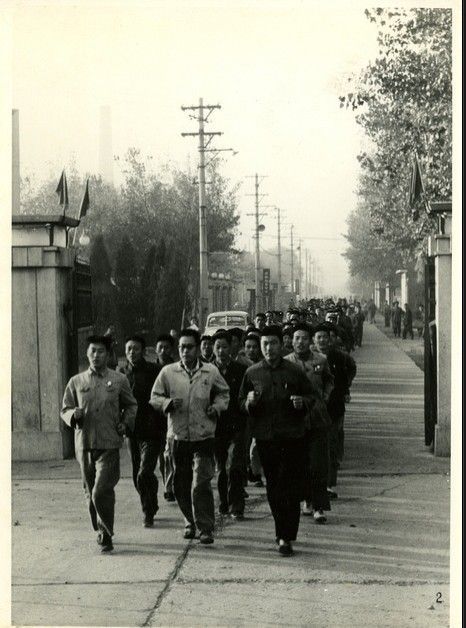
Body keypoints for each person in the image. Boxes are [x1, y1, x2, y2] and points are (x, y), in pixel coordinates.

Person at [239, 325, 313, 557]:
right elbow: (240, 402)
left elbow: (312, 397)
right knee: (274, 486)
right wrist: (248, 402)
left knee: (290, 486)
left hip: (292, 437)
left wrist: (303, 402)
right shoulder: (252, 373)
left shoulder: (294, 371)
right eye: (265, 344)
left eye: (273, 343)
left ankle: (285, 535)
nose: (269, 348)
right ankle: (282, 533)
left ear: (282, 344)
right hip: (266, 438)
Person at [150, 328, 230, 545]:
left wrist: (217, 407)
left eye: (190, 347)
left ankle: (205, 528)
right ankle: (189, 521)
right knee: (180, 484)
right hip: (177, 436)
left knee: (201, 483)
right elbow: (154, 397)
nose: (185, 351)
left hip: (203, 435)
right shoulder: (168, 372)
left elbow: (224, 392)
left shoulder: (210, 371)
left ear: (198, 349)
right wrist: (166, 404)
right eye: (182, 347)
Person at [61, 335, 137, 552]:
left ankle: (106, 532)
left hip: (109, 442)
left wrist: (125, 423)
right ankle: (100, 529)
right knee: (89, 491)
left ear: (108, 354)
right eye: (92, 351)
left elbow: (132, 406)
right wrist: (72, 416)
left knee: (101, 490)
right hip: (84, 443)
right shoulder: (76, 382)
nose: (96, 355)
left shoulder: (119, 380)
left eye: (101, 351)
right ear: (87, 353)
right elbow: (65, 409)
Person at [285, 324, 334, 523]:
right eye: (296, 338)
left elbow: (330, 381)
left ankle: (319, 507)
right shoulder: (286, 362)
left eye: (304, 338)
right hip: (294, 421)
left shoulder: (320, 360)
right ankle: (306, 499)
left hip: (317, 418)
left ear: (311, 340)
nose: (300, 342)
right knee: (299, 463)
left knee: (318, 463)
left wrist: (325, 396)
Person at [118, 335, 166, 528]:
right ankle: (151, 500)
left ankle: (148, 511)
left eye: (136, 349)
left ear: (144, 351)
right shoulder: (121, 375)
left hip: (152, 428)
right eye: (129, 349)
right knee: (137, 474)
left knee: (144, 471)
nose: (132, 352)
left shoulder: (155, 371)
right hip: (132, 431)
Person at [314, 323, 356, 498]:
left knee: (332, 444)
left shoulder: (340, 357)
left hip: (334, 407)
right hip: (314, 409)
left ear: (331, 339)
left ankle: (330, 484)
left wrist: (345, 390)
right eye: (319, 337)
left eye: (326, 337)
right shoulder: (309, 357)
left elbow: (349, 373)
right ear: (314, 339)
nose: (323, 340)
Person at [211, 331, 248, 519]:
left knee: (234, 466)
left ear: (231, 347)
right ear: (212, 348)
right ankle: (224, 502)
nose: (221, 351)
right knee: (220, 468)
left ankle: (237, 505)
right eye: (217, 347)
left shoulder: (241, 371)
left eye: (224, 346)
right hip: (215, 427)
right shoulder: (207, 371)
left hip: (237, 425)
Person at [154, 334, 176, 501]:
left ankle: (170, 486)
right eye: (160, 347)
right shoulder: (152, 370)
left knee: (169, 455)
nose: (163, 350)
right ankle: (168, 484)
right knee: (163, 457)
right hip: (157, 418)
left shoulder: (177, 369)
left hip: (174, 417)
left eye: (166, 347)